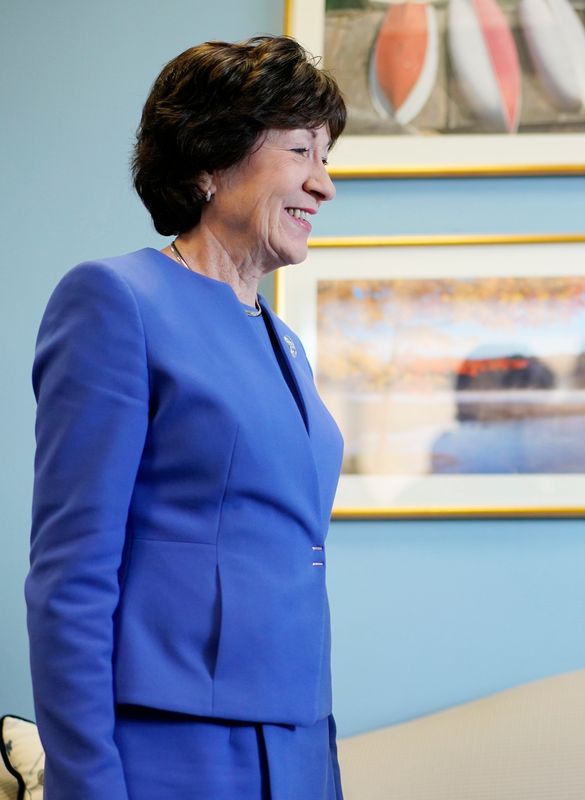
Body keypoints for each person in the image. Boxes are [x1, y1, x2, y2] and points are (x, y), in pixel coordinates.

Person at [27, 36, 347, 798]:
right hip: (174, 752)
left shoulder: (285, 342)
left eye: (328, 157)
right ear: (210, 158)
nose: (324, 183)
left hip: (298, 745)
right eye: (302, 149)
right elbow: (71, 578)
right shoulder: (115, 302)